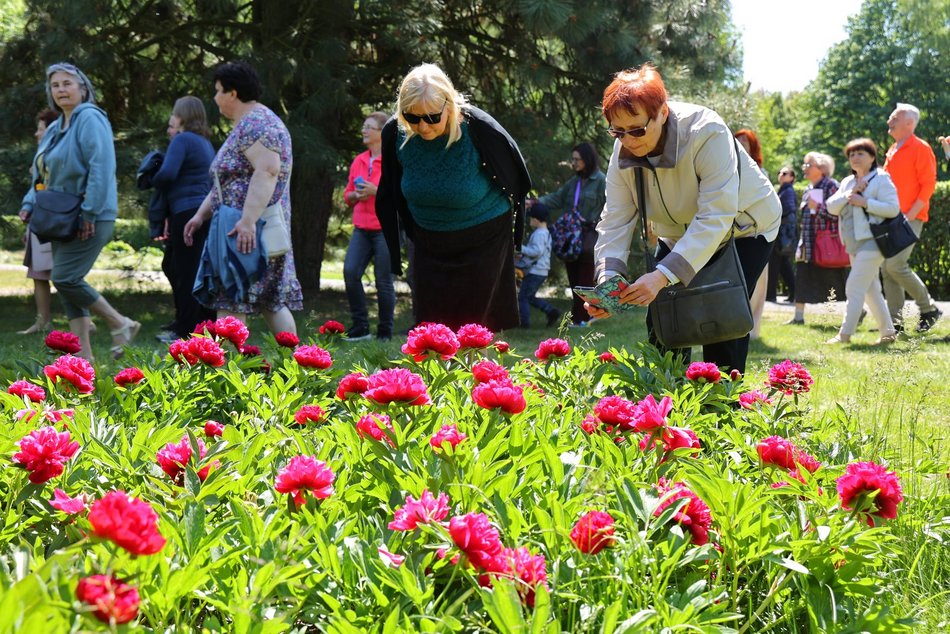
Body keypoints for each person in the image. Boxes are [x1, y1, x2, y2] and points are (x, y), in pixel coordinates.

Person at [589, 64, 781, 373]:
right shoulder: (624, 145)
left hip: (743, 229)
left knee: (721, 320)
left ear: (662, 113)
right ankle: (666, 409)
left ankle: (723, 412)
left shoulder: (707, 131)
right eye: (617, 131)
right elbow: (615, 219)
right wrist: (607, 282)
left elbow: (715, 216)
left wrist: (663, 275)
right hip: (677, 233)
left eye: (637, 129)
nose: (628, 140)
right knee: (663, 323)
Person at [376, 63, 531, 331]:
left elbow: (516, 178)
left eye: (432, 117)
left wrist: (515, 235)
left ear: (449, 105)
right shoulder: (394, 134)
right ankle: (435, 374)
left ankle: (480, 373)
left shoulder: (479, 129)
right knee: (430, 326)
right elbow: (391, 186)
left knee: (473, 329)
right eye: (413, 118)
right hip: (428, 239)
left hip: (484, 238)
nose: (423, 126)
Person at [19, 63, 139, 361]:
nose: (61, 89)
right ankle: (84, 358)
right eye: (55, 85)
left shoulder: (90, 118)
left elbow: (101, 166)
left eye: (67, 83)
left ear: (82, 88)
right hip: (58, 218)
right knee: (69, 286)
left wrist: (90, 212)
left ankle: (120, 322)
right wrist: (28, 204)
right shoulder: (56, 127)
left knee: (65, 277)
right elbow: (40, 174)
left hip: (89, 215)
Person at [184, 61, 302, 335]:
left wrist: (248, 222)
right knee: (269, 301)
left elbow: (267, 171)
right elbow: (229, 180)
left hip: (248, 229)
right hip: (243, 225)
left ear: (232, 93)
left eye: (217, 91)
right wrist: (201, 215)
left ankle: (227, 372)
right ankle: (297, 369)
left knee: (233, 297)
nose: (215, 99)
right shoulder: (250, 123)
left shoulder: (257, 124)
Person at [150, 96, 216, 342]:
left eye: (175, 114)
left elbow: (167, 174)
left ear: (183, 116)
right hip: (202, 210)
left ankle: (186, 328)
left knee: (184, 270)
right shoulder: (203, 142)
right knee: (181, 266)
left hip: (186, 211)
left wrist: (150, 177)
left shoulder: (183, 139)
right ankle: (199, 322)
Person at [825, 138, 899, 345]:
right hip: (853, 242)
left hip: (874, 241)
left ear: (872, 157)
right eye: (851, 154)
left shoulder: (881, 178)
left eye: (860, 153)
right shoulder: (848, 182)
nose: (855, 158)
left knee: (854, 287)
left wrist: (865, 202)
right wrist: (852, 193)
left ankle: (844, 335)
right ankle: (888, 333)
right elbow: (831, 207)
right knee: (871, 289)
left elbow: (893, 208)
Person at [881, 103, 941, 332]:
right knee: (887, 268)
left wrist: (910, 215)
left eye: (894, 117)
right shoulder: (893, 148)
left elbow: (928, 185)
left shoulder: (920, 148)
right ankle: (895, 324)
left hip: (910, 217)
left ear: (909, 123)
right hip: (893, 217)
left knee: (895, 265)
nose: (889, 120)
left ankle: (929, 309)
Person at [534, 142, 606, 326]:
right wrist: (535, 202)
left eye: (577, 159)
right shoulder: (574, 183)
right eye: (572, 159)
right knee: (574, 279)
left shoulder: (601, 181)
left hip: (590, 237)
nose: (573, 163)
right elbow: (556, 198)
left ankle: (586, 317)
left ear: (587, 160)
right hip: (571, 239)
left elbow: (611, 205)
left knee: (585, 279)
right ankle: (579, 317)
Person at [342, 111, 394, 341]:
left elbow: (401, 195)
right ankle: (360, 327)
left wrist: (377, 191)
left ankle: (385, 332)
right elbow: (347, 195)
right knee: (350, 272)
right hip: (361, 228)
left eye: (369, 127)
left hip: (385, 228)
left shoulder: (394, 161)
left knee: (383, 281)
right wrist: (354, 195)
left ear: (382, 133)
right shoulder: (359, 160)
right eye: (363, 126)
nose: (364, 130)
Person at [786, 152, 845, 325]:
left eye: (808, 165)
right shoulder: (809, 188)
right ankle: (798, 317)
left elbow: (838, 213)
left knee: (835, 279)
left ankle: (858, 311)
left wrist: (818, 207)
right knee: (803, 277)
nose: (804, 168)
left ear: (821, 169)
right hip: (807, 244)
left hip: (826, 244)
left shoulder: (832, 186)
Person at [17, 109, 59, 335]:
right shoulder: (40, 155)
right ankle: (42, 321)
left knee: (63, 274)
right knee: (38, 273)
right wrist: (27, 209)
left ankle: (86, 321)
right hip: (39, 219)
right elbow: (34, 191)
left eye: (40, 129)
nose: (36, 134)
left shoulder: (54, 156)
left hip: (52, 220)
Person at [735, 129, 768, 339]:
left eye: (745, 141)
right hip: (735, 234)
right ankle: (740, 325)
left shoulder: (759, 172)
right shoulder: (726, 167)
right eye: (737, 141)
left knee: (759, 282)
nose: (740, 144)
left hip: (759, 233)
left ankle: (754, 329)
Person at [517, 203, 560, 328]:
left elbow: (537, 251)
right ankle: (551, 311)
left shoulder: (540, 234)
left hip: (535, 271)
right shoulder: (545, 232)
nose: (530, 220)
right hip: (540, 271)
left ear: (535, 219)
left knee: (523, 297)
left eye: (531, 218)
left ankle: (524, 324)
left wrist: (520, 248)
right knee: (529, 297)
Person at [767, 166, 797, 303]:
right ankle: (795, 292)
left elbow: (788, 209)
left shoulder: (788, 191)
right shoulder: (784, 190)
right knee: (783, 264)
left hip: (781, 233)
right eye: (779, 172)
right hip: (782, 232)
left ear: (792, 178)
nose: (781, 175)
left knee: (774, 262)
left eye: (785, 173)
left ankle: (770, 295)